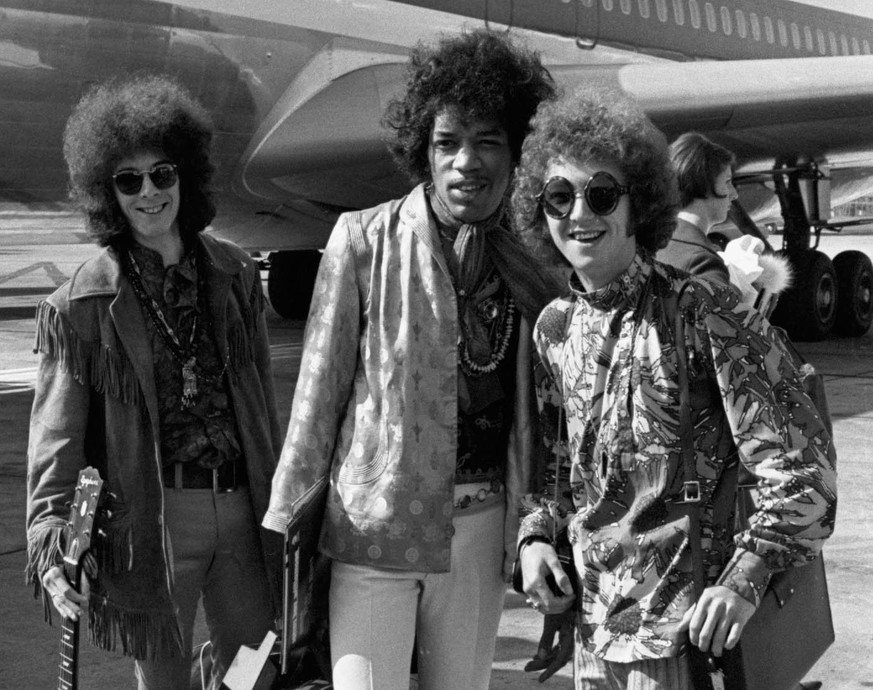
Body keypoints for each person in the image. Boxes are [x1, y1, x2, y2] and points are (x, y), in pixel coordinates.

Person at [262, 30, 558, 690]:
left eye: (487, 142)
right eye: (447, 142)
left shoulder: (533, 264)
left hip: (480, 536)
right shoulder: (361, 239)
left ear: (515, 151)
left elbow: (547, 422)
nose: (465, 162)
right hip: (373, 532)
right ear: (422, 150)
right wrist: (281, 531)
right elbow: (317, 396)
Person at [512, 87, 836, 689]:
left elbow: (803, 465)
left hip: (687, 640)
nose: (579, 214)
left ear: (640, 204)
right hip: (595, 635)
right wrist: (536, 539)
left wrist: (748, 573)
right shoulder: (554, 328)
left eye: (601, 194)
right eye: (559, 197)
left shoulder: (701, 309)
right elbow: (556, 471)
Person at [25, 74, 282, 689]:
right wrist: (51, 530)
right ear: (105, 193)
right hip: (154, 520)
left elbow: (263, 406)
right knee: (162, 683)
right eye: (127, 180)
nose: (148, 193)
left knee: (256, 674)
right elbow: (56, 440)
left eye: (162, 173)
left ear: (184, 175)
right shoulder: (81, 305)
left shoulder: (235, 272)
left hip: (243, 508)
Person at [656, 131, 737, 285]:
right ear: (704, 183)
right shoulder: (702, 262)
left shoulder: (647, 249)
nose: (734, 194)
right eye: (727, 181)